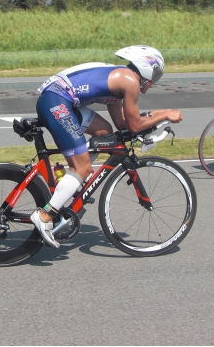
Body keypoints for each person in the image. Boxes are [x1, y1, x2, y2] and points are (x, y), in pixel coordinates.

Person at [29, 45, 183, 248]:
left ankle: (75, 181)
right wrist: (163, 114)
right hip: (57, 101)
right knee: (81, 167)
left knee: (104, 132)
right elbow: (135, 124)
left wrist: (153, 120)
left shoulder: (121, 79)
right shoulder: (130, 81)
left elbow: (123, 125)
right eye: (156, 73)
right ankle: (45, 215)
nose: (154, 81)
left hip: (59, 98)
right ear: (145, 67)